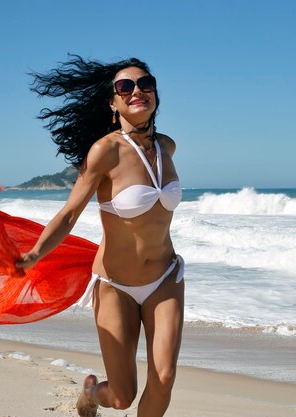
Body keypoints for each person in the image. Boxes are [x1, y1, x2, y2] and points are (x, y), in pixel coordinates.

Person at [17, 56, 184, 417]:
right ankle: (91, 393)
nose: (138, 90)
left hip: (166, 278)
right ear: (112, 102)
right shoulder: (105, 151)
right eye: (125, 86)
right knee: (122, 397)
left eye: (145, 83)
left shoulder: (167, 147)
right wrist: (34, 255)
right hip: (116, 284)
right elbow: (69, 213)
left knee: (165, 376)